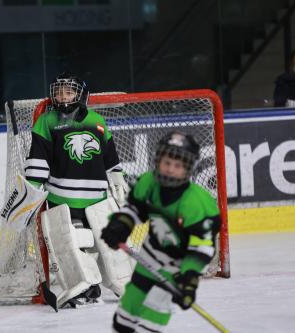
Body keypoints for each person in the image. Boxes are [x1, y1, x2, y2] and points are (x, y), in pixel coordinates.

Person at [24, 72, 129, 306]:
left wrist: (117, 176)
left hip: (97, 198)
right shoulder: (47, 121)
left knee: (103, 243)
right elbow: (39, 158)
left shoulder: (97, 120)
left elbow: (110, 154)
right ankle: (84, 285)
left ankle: (120, 281)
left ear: (81, 94)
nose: (62, 96)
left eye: (68, 91)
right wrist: (32, 189)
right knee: (73, 242)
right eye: (59, 91)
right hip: (63, 197)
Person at [101, 131, 221, 332]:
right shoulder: (149, 182)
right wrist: (120, 226)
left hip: (177, 267)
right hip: (149, 256)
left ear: (188, 169)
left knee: (155, 309)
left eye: (177, 166)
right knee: (128, 308)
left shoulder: (198, 204)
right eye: (167, 163)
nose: (170, 170)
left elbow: (202, 249)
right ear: (158, 160)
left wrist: (189, 279)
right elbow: (135, 209)